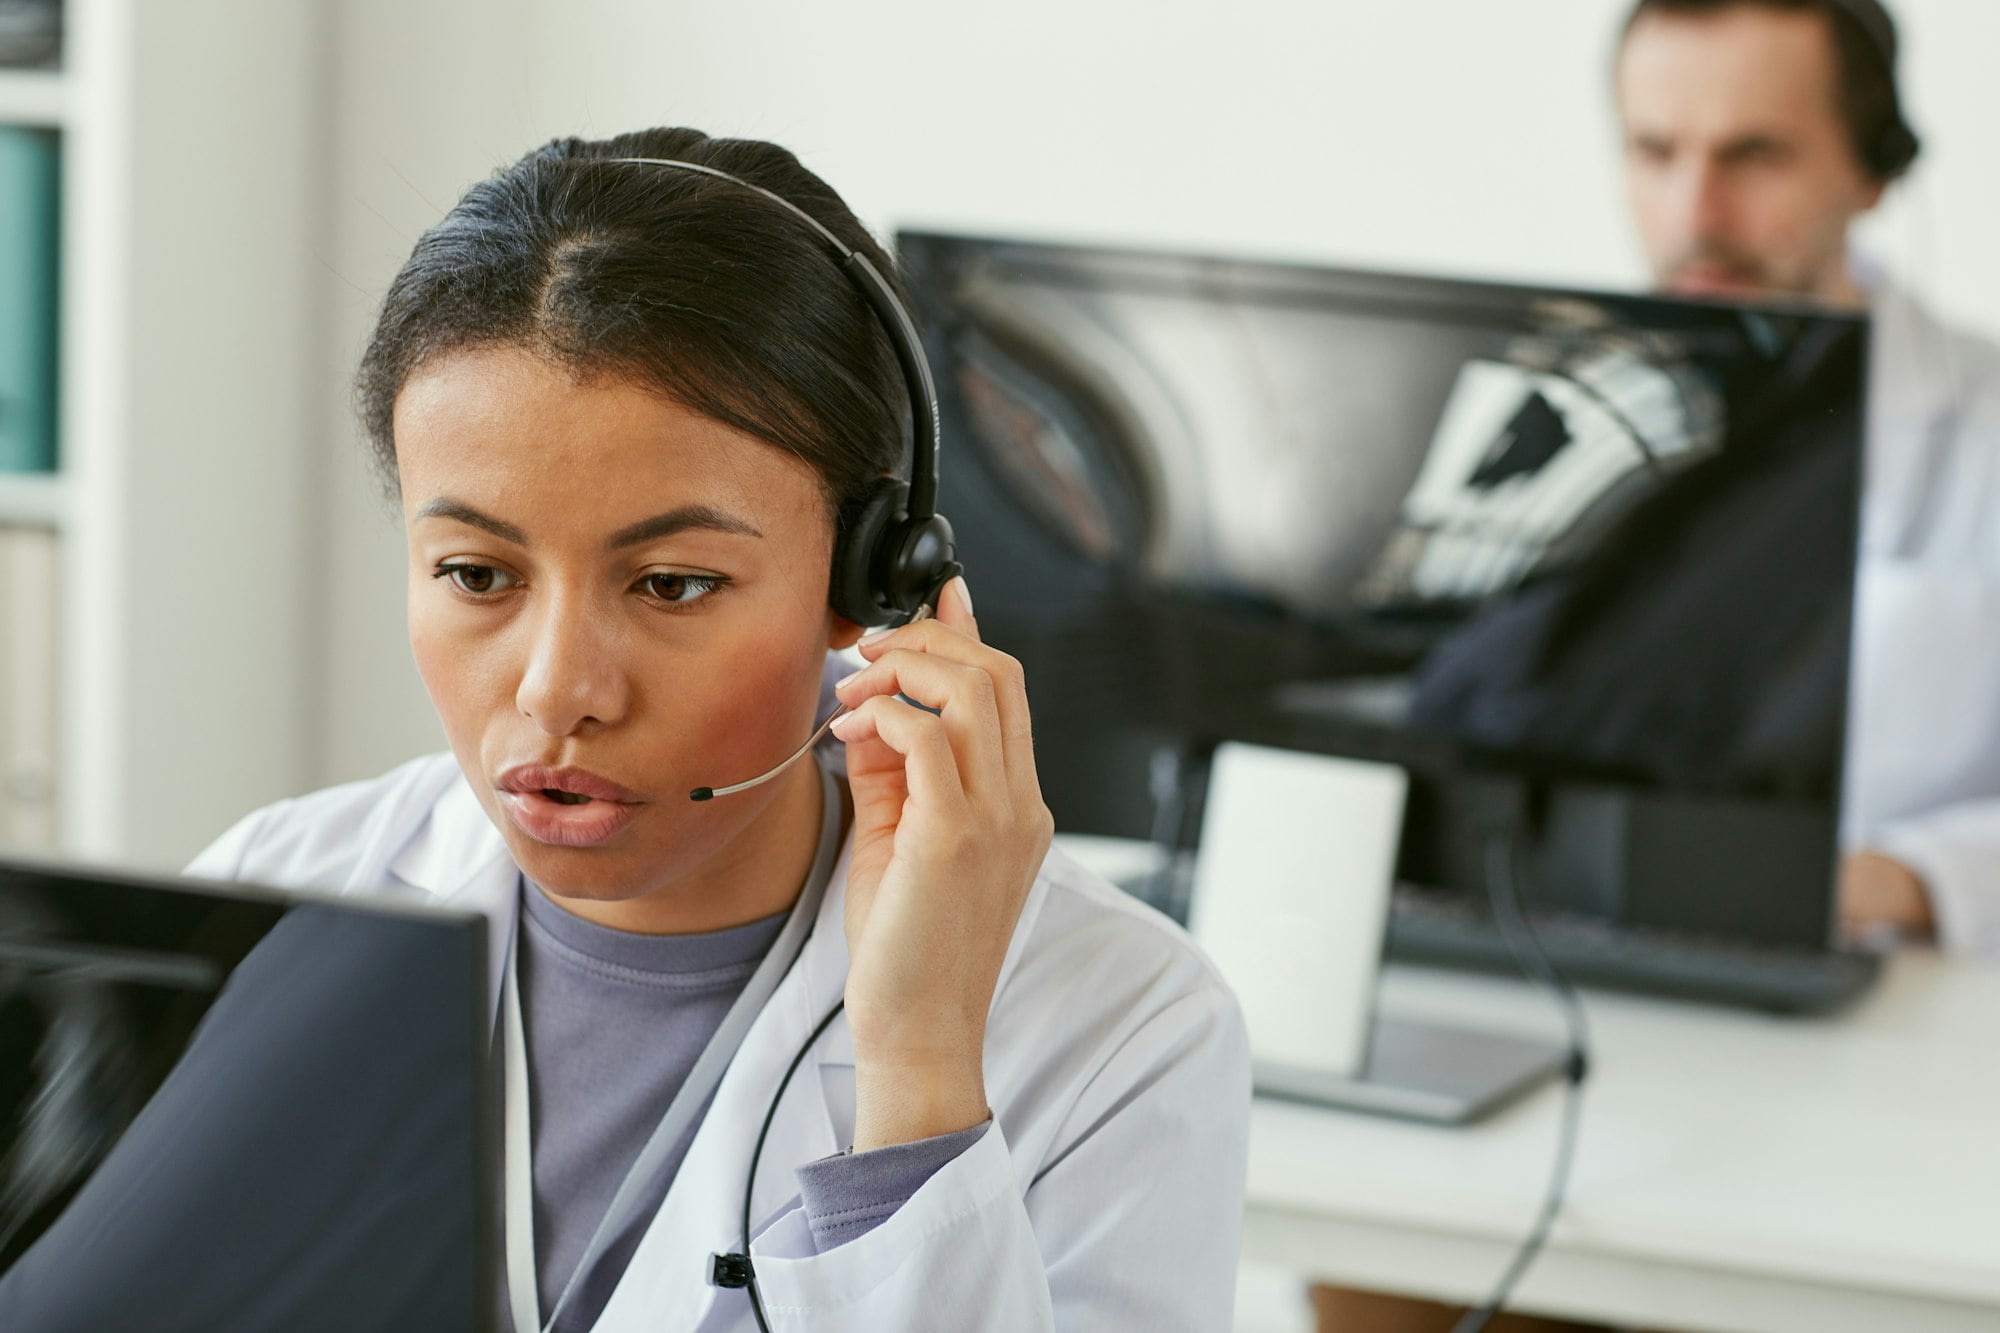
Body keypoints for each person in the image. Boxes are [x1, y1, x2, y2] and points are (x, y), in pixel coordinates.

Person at [180, 128, 1250, 1331]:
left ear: (869, 580)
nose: (553, 691)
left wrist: (917, 1073)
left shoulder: (1120, 1030)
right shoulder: (264, 907)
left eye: (671, 585)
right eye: (477, 573)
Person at [1615, 0, 2000, 955]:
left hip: (1900, 1008)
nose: (1695, 216)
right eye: (1657, 152)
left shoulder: (1982, 427)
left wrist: (1898, 877)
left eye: (1755, 155)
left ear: (1875, 168)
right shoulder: (1564, 421)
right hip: (1594, 960)